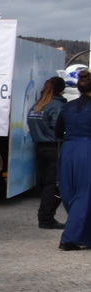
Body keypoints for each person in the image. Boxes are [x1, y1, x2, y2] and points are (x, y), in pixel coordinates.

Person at [54, 71, 91, 249]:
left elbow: (58, 132)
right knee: (84, 194)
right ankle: (69, 238)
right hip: (87, 150)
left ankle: (84, 234)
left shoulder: (67, 107)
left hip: (69, 150)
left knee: (69, 192)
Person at [30, 76, 67, 229]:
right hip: (54, 146)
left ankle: (45, 216)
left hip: (39, 146)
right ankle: (46, 217)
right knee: (53, 184)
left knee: (45, 183)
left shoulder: (37, 105)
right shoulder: (57, 105)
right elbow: (59, 128)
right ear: (62, 90)